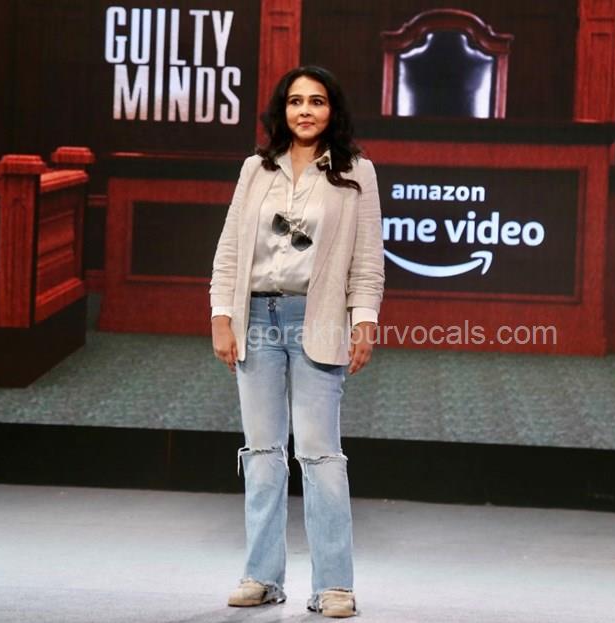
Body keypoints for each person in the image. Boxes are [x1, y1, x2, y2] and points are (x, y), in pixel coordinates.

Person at [209, 65, 384, 618]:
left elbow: (367, 259)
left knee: (320, 453)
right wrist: (220, 314)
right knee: (263, 453)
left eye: (317, 101)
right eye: (295, 101)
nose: (305, 110)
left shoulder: (357, 172)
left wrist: (364, 320)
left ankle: (334, 585)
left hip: (319, 318)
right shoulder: (255, 169)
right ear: (282, 111)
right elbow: (229, 250)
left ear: (333, 110)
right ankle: (262, 576)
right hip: (256, 317)